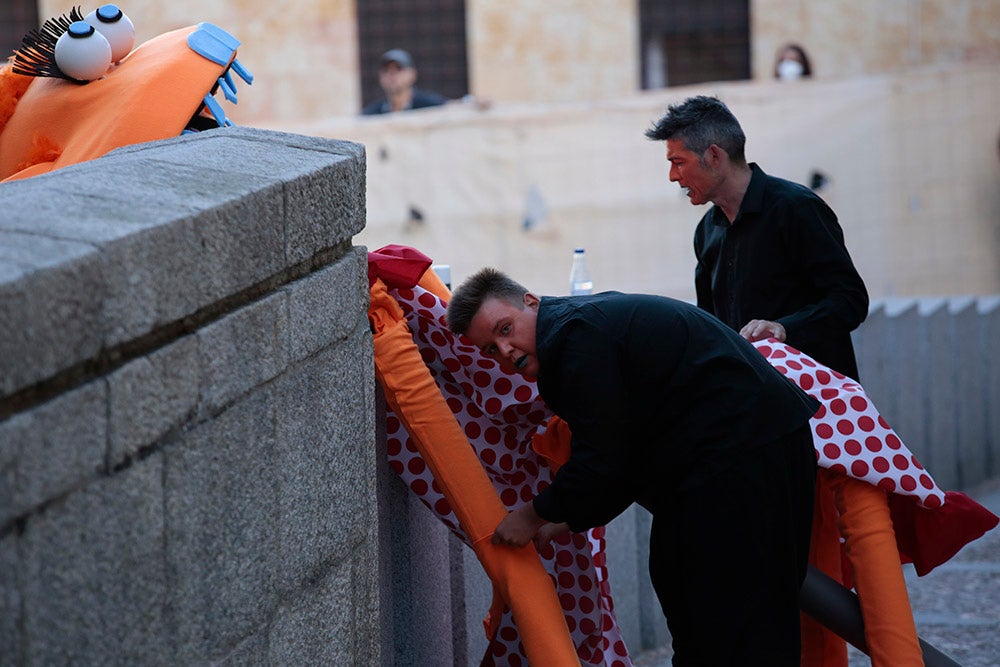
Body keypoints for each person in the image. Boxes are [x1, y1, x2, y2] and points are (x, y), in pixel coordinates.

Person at [446, 268, 819, 666]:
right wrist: (562, 520)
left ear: (531, 302)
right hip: (743, 450)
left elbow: (603, 459)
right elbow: (627, 457)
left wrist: (533, 514)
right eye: (489, 348)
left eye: (506, 328)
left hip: (742, 453)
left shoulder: (575, 338)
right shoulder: (574, 331)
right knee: (711, 599)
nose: (504, 350)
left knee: (726, 615)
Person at [645, 95, 868, 381]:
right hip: (748, 404)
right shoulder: (706, 231)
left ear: (714, 156)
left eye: (678, 162)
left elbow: (850, 301)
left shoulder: (795, 208)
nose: (672, 176)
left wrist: (784, 328)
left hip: (813, 402)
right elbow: (713, 329)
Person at [361, 49, 449, 115]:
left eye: (398, 69)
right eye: (386, 70)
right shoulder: (373, 113)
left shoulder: (430, 105)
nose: (391, 74)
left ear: (411, 74)